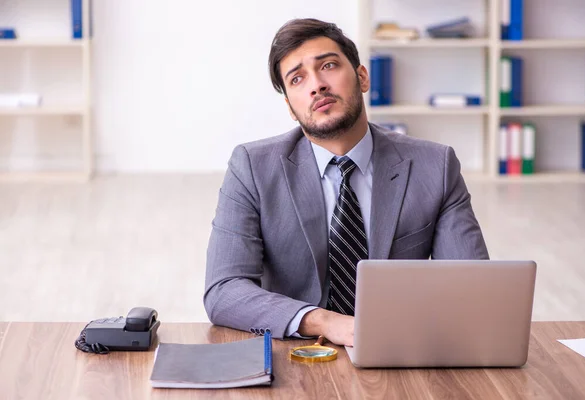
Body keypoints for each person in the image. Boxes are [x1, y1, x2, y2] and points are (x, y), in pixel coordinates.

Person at [204, 18, 489, 346]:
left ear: (362, 77)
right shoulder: (253, 168)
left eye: (328, 65)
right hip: (294, 354)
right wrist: (324, 321)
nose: (317, 85)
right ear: (291, 109)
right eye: (297, 78)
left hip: (398, 349)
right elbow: (224, 290)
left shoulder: (435, 166)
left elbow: (472, 286)